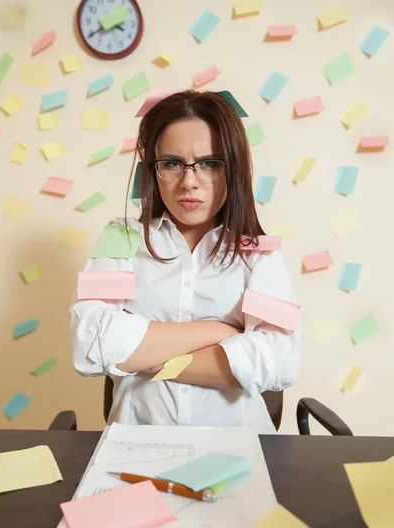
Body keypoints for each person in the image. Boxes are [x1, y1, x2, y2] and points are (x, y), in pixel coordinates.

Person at [69, 90, 300, 433]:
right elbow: (87, 344)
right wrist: (218, 331)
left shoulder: (260, 253)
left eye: (209, 163)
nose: (189, 182)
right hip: (136, 445)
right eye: (173, 163)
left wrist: (142, 358)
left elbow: (279, 362)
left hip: (239, 449)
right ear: (153, 169)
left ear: (233, 169)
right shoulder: (122, 237)